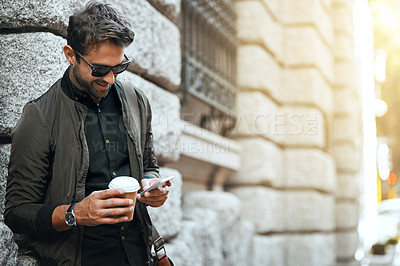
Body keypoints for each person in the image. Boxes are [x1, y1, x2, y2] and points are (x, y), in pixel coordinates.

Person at [4, 1, 171, 265]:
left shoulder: (137, 100)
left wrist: (151, 185)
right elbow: (17, 212)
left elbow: (149, 166)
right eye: (100, 69)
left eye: (118, 67)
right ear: (70, 54)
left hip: (139, 255)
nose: (110, 79)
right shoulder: (40, 116)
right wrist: (75, 214)